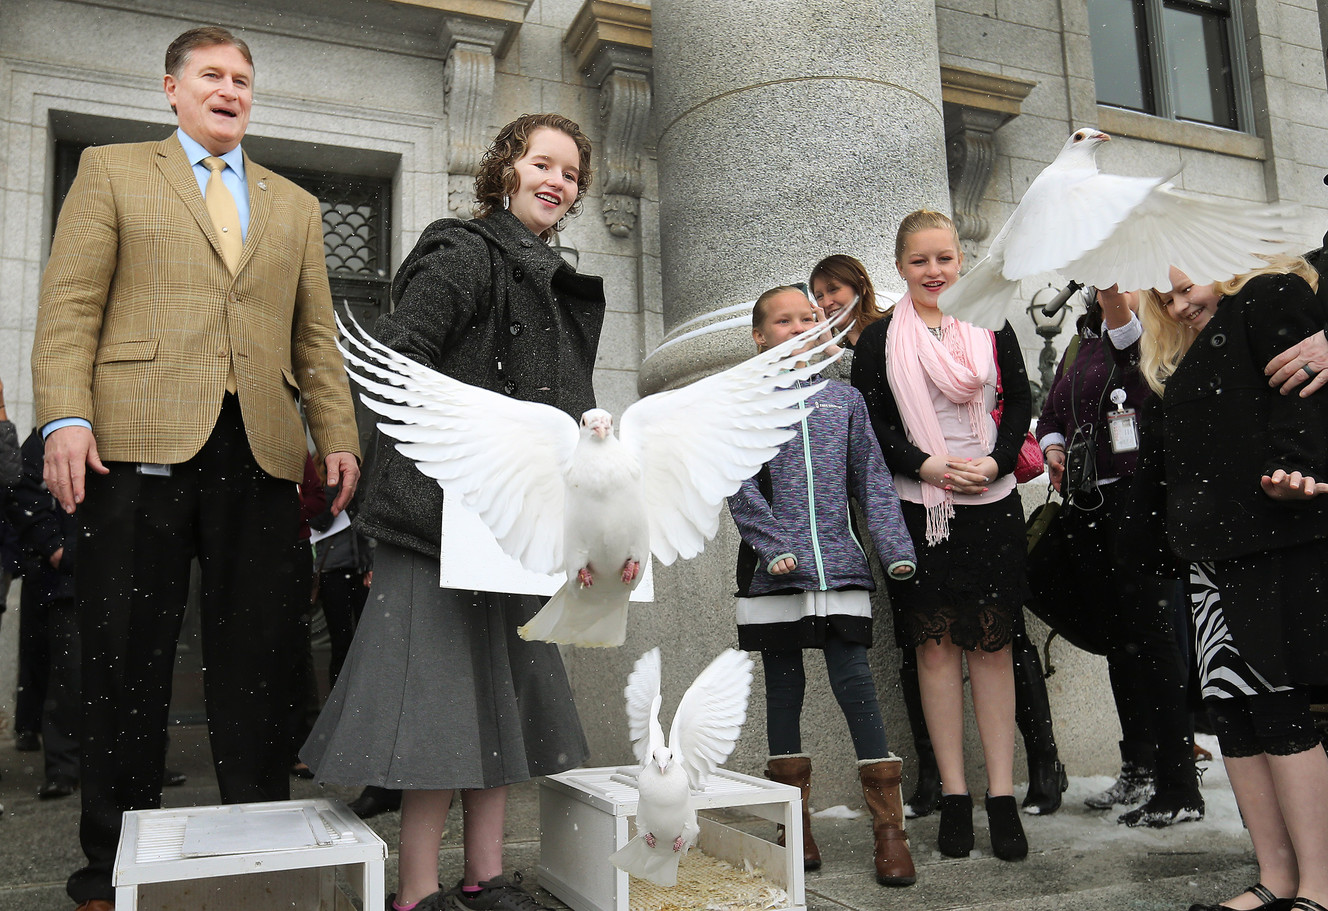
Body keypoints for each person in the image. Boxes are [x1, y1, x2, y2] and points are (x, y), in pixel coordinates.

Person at [30, 26, 361, 911]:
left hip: (257, 448)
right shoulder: (111, 171)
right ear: (170, 89)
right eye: (211, 75)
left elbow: (316, 338)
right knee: (123, 654)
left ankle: (255, 844)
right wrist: (65, 414)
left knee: (262, 655)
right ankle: (111, 865)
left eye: (243, 79)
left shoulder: (293, 203)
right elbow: (69, 303)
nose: (229, 89)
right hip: (132, 442)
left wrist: (338, 434)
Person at [301, 113, 604, 911]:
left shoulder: (550, 274)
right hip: (437, 519)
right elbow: (399, 361)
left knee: (498, 698)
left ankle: (487, 875)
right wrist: (477, 444)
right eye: (543, 163)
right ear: (506, 167)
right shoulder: (465, 251)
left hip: (512, 526)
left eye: (571, 173)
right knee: (438, 703)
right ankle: (417, 891)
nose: (557, 181)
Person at [1129, 259, 1328, 911]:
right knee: (1235, 715)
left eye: (1187, 288)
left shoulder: (1270, 295)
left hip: (1274, 535)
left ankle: (1320, 887)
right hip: (1212, 555)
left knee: (1280, 706)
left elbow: (1307, 388)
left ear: (1226, 265)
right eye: (1166, 298)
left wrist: (1296, 466)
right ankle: (1275, 877)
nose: (1180, 306)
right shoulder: (1184, 355)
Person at [851, 209, 1030, 861]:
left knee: (990, 649)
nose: (934, 271)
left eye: (945, 259)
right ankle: (956, 794)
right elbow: (872, 425)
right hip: (918, 508)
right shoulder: (878, 342)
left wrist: (997, 459)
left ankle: (1002, 795)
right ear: (900, 266)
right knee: (934, 652)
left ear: (962, 261)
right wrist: (924, 465)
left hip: (991, 502)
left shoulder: (991, 318)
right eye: (920, 260)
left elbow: (1021, 401)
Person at [729, 286, 919, 886]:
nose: (799, 328)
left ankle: (889, 830)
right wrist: (774, 545)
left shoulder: (845, 400)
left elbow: (872, 481)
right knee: (784, 691)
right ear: (760, 336)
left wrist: (895, 550)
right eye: (783, 322)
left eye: (809, 318)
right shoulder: (747, 402)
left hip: (841, 566)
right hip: (773, 571)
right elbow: (736, 484)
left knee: (856, 685)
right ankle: (795, 825)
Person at [1029, 285, 1203, 826]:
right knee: (1121, 642)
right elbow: (1052, 409)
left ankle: (1180, 782)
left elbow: (1128, 338)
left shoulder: (1148, 332)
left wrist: (1106, 283)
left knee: (1153, 638)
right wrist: (1054, 444)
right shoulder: (1084, 343)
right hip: (1087, 501)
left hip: (1138, 500)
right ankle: (1139, 767)